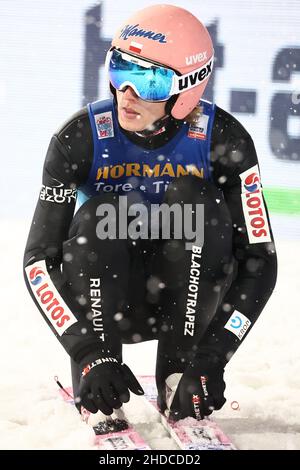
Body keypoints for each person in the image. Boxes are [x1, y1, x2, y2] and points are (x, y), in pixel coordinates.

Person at [23, 4, 277, 421]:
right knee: (101, 214)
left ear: (187, 89)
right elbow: (38, 262)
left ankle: (181, 372)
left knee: (196, 201)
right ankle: (101, 379)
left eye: (150, 81)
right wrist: (87, 352)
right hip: (105, 302)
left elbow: (260, 260)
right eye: (121, 70)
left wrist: (213, 356)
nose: (128, 93)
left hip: (188, 301)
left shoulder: (226, 139)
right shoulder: (79, 139)